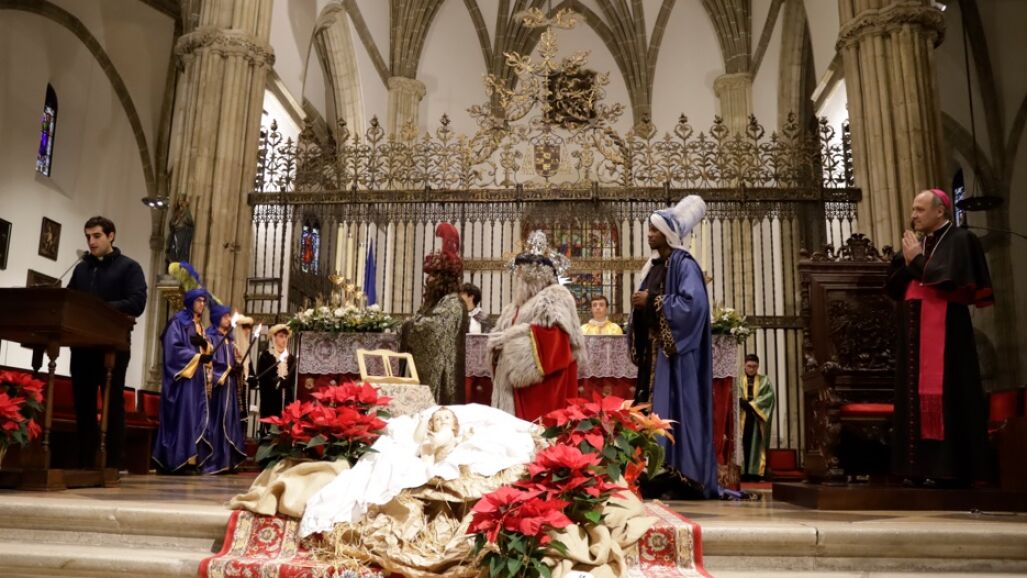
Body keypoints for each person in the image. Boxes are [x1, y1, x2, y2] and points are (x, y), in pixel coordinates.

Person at [886, 188, 993, 487]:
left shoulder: (961, 240)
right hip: (912, 339)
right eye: (913, 209)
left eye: (920, 209)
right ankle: (915, 468)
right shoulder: (916, 245)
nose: (914, 216)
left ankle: (948, 469)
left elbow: (949, 281)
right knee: (911, 399)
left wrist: (917, 261)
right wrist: (910, 261)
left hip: (948, 338)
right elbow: (894, 286)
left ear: (940, 211)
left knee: (950, 396)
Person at [627, 195, 720, 499]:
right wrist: (639, 309)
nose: (649, 235)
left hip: (676, 357)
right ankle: (651, 472)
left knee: (677, 410)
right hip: (655, 356)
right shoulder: (657, 265)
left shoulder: (684, 264)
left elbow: (694, 306)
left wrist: (652, 301)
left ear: (667, 234)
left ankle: (680, 476)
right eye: (649, 229)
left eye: (654, 230)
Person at [66, 216, 147, 469]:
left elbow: (137, 302)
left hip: (113, 345)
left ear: (111, 236)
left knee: (112, 403)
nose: (91, 241)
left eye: (97, 236)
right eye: (88, 236)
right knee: (83, 403)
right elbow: (70, 300)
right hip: (82, 345)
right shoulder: (81, 269)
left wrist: (98, 308)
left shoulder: (129, 267)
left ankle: (112, 461)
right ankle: (85, 460)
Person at [489, 230, 585, 422]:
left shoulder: (555, 297)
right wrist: (496, 348)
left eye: (521, 274)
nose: (518, 278)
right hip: (510, 384)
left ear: (535, 277)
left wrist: (509, 342)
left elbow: (557, 342)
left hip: (543, 386)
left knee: (536, 431)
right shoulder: (513, 308)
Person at [400, 223, 468, 404]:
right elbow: (422, 319)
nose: (429, 279)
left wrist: (410, 325)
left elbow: (431, 328)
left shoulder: (453, 303)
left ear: (443, 279)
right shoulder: (434, 302)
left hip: (444, 375)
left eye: (433, 275)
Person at [152, 287, 213, 473]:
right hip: (182, 380)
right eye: (199, 301)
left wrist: (205, 346)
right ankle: (177, 460)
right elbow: (173, 349)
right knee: (183, 418)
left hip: (196, 380)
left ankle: (191, 460)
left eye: (204, 301)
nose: (202, 304)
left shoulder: (200, 326)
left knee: (194, 417)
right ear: (190, 302)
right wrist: (196, 357)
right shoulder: (178, 322)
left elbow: (208, 349)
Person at [203, 303, 247, 473]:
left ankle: (228, 461)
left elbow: (235, 361)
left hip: (230, 387)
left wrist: (238, 367)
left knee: (230, 422)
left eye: (229, 316)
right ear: (217, 318)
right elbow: (208, 363)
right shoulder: (211, 338)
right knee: (219, 421)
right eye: (225, 316)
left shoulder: (230, 340)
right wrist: (226, 370)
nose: (228, 319)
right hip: (219, 389)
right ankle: (216, 461)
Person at [738, 353, 775, 481]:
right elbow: (734, 395)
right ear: (744, 366)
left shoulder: (765, 381)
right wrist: (740, 401)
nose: (751, 369)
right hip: (742, 418)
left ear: (758, 366)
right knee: (743, 443)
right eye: (749, 366)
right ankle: (742, 472)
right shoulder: (738, 381)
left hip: (756, 418)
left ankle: (754, 473)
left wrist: (752, 405)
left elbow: (769, 397)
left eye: (754, 366)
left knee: (755, 444)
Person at [257, 324, 296, 431]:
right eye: (281, 336)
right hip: (270, 397)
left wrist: (285, 382)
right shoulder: (266, 356)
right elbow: (263, 376)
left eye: (286, 337)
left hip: (286, 396)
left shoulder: (291, 358)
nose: (284, 339)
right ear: (274, 337)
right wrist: (276, 382)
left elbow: (292, 378)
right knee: (271, 424)